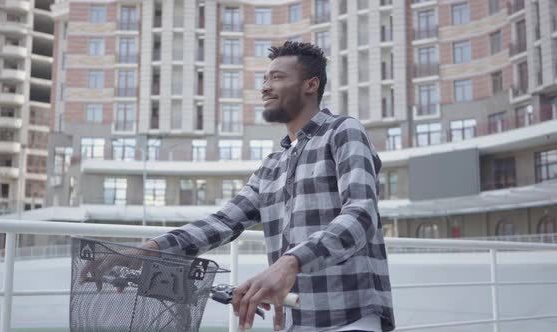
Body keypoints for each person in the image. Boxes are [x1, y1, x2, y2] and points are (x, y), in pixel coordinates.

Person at [80, 41, 394, 332]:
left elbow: (361, 215)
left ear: (311, 85)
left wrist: (290, 261)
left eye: (277, 78)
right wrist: (144, 251)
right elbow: (223, 221)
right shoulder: (274, 163)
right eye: (265, 79)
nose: (266, 87)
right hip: (295, 320)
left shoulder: (343, 131)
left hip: (350, 318)